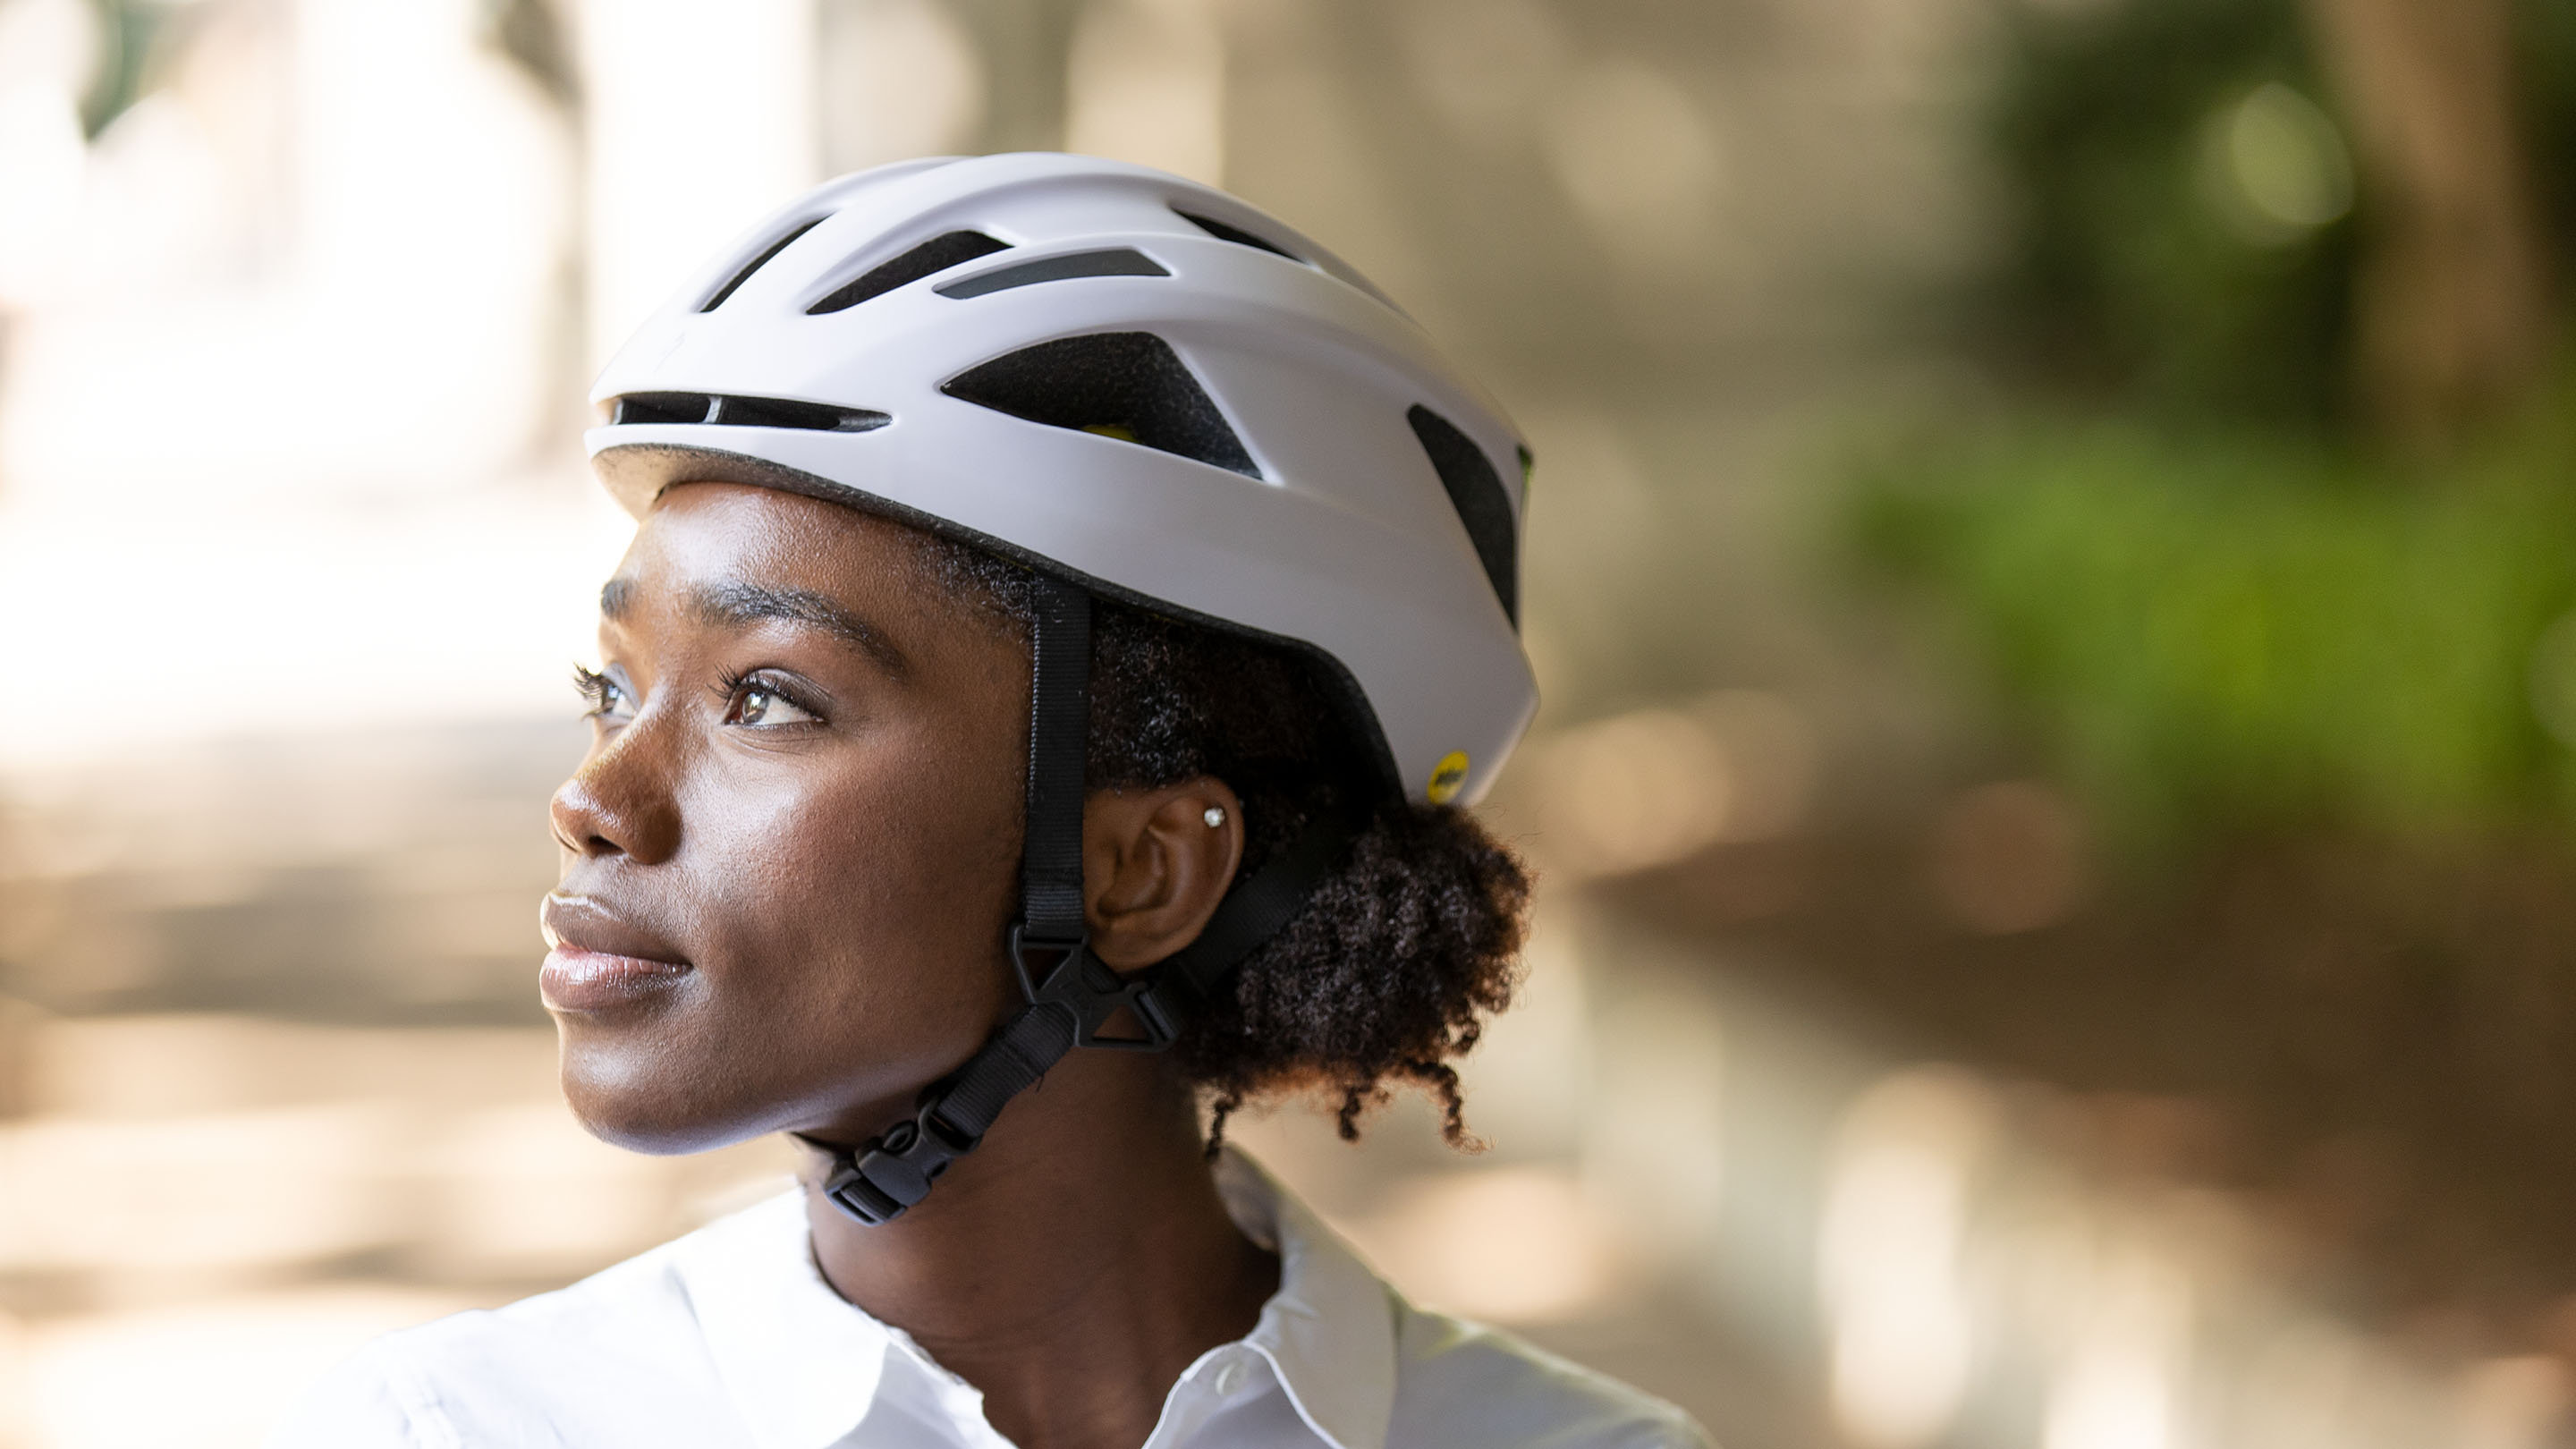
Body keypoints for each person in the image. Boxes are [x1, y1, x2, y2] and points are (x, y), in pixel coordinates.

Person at [272, 153, 1708, 1449]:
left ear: (1142, 871)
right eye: (614, 688)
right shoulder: (453, 1430)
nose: (597, 799)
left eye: (764, 695)